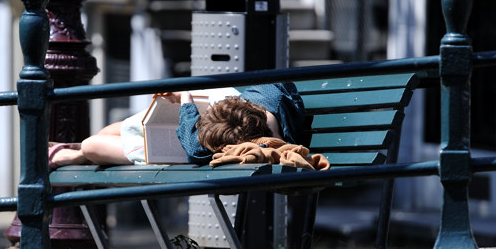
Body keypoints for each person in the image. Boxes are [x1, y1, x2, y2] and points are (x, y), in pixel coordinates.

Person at [47, 82, 305, 168]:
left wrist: (188, 100)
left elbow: (194, 149)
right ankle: (77, 150)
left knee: (93, 145)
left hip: (176, 147)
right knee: (112, 130)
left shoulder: (264, 132)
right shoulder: (247, 110)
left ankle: (77, 154)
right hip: (214, 119)